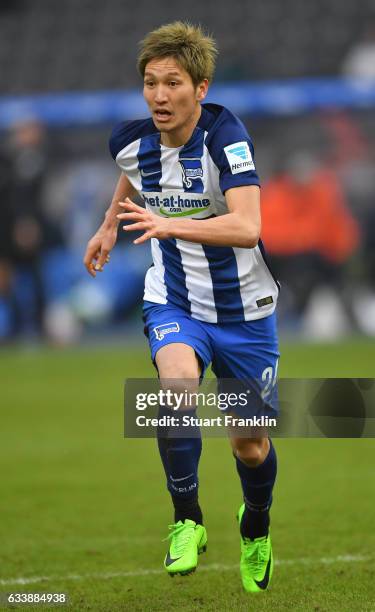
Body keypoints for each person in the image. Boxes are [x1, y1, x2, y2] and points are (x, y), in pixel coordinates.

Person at [84, 22, 279, 594]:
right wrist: (106, 225)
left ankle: (257, 524)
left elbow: (248, 227)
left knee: (250, 442)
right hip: (174, 300)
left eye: (173, 83)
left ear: (201, 87)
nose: (160, 96)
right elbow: (133, 176)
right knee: (175, 389)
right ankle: (187, 519)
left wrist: (169, 223)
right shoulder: (128, 140)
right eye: (150, 83)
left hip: (245, 310)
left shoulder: (227, 138)